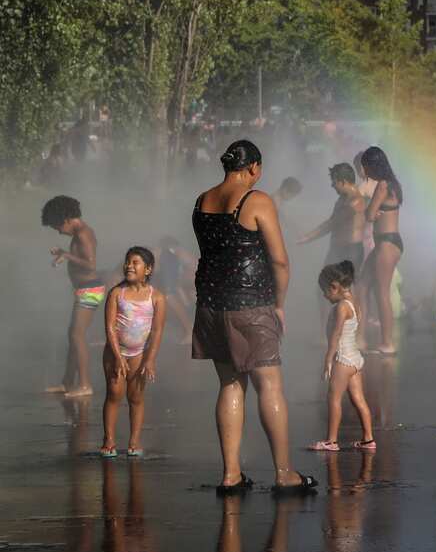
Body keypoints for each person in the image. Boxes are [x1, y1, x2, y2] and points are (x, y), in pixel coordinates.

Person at [192, 139, 315, 494]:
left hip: (211, 304)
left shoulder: (203, 200)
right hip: (250, 305)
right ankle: (284, 473)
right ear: (254, 168)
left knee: (230, 384)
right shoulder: (256, 199)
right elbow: (279, 260)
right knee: (269, 386)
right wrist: (279, 304)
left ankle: (231, 475)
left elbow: (212, 252)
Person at [99, 247, 167, 458]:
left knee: (136, 397)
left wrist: (151, 359)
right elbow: (110, 327)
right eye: (127, 261)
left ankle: (134, 440)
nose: (129, 265)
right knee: (114, 394)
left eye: (135, 262)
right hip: (115, 351)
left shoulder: (156, 297)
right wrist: (118, 358)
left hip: (139, 353)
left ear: (148, 269)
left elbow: (157, 331)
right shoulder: (116, 293)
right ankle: (109, 439)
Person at [308, 261, 375, 451]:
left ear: (335, 286)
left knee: (333, 398)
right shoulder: (354, 302)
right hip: (355, 358)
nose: (324, 295)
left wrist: (328, 360)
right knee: (358, 399)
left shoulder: (341, 307)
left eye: (325, 291)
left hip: (343, 358)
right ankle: (368, 440)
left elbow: (336, 336)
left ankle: (331, 441)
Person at [42, 195, 101, 398]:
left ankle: (85, 384)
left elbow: (91, 265)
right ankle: (68, 382)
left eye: (57, 226)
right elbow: (82, 258)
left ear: (66, 219)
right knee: (73, 336)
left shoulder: (84, 234)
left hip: (90, 290)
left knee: (77, 336)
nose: (58, 231)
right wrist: (64, 251)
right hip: (85, 290)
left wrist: (66, 255)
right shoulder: (78, 235)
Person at [358, 147, 404, 355]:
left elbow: (369, 214)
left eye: (365, 166)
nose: (364, 170)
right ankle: (361, 338)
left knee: (382, 293)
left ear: (372, 165)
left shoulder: (383, 185)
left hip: (386, 243)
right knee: (361, 286)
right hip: (387, 243)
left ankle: (387, 343)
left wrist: (372, 212)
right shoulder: (393, 184)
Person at [297, 163, 367, 270]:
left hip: (351, 251)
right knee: (324, 284)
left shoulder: (356, 201)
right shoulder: (342, 199)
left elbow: (332, 224)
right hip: (337, 250)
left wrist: (307, 237)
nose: (332, 185)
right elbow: (331, 221)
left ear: (343, 182)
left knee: (344, 285)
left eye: (334, 182)